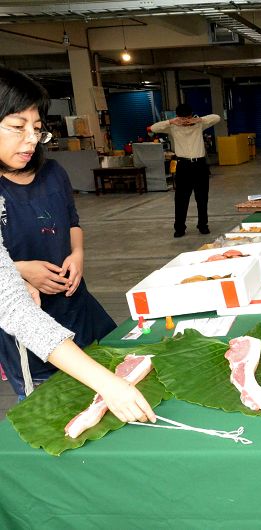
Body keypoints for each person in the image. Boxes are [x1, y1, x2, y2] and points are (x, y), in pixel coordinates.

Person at [0, 67, 155, 423]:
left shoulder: (52, 172)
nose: (30, 140)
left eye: (36, 129)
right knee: (60, 418)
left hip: (76, 304)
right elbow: (14, 308)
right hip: (32, 333)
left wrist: (78, 254)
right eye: (17, 126)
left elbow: (72, 221)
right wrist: (21, 273)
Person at [150, 103, 220, 238]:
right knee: (181, 198)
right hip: (183, 165)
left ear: (191, 115)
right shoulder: (173, 126)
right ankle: (180, 228)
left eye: (187, 118)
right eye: (182, 118)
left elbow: (216, 117)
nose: (185, 121)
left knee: (202, 197)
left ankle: (203, 225)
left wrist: (199, 120)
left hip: (199, 164)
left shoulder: (199, 124)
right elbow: (154, 128)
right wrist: (171, 121)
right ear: (177, 117)